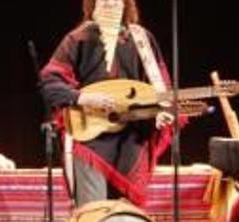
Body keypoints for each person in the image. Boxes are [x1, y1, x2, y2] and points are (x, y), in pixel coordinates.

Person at [39, 0, 180, 207]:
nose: (110, 3)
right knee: (93, 214)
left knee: (127, 217)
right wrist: (82, 98)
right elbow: (49, 81)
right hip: (90, 139)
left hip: (130, 140)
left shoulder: (141, 38)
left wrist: (160, 113)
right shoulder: (78, 38)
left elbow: (160, 88)